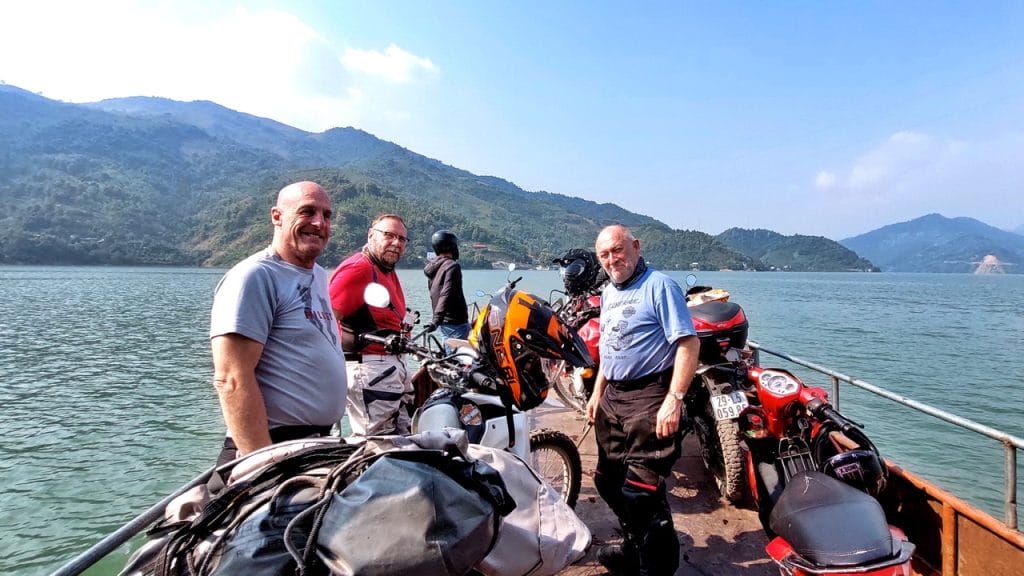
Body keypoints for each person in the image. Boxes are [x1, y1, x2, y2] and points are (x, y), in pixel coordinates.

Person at [585, 224, 700, 576]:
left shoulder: (659, 286)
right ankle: (637, 545)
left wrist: (674, 399)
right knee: (607, 479)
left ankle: (656, 566)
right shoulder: (608, 293)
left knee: (641, 493)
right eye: (604, 255)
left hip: (650, 395)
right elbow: (608, 347)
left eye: (617, 250)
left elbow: (688, 343)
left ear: (635, 246)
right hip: (614, 398)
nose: (611, 260)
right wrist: (597, 391)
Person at [209, 181, 347, 466]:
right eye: (307, 212)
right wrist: (263, 465)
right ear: (277, 216)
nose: (319, 222)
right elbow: (231, 378)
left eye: (327, 214)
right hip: (274, 446)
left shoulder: (320, 276)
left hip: (318, 444)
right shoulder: (255, 276)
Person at [329, 214, 414, 437]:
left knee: (403, 437)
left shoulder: (386, 270)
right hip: (369, 369)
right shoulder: (358, 270)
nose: (396, 243)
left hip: (393, 367)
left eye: (402, 239)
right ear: (370, 235)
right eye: (389, 235)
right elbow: (325, 322)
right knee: (376, 443)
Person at [424, 229, 470, 352]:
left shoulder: (434, 267)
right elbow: (446, 294)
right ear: (452, 246)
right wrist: (436, 320)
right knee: (459, 361)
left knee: (450, 353)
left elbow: (434, 293)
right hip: (456, 322)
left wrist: (437, 320)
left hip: (444, 322)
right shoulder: (452, 266)